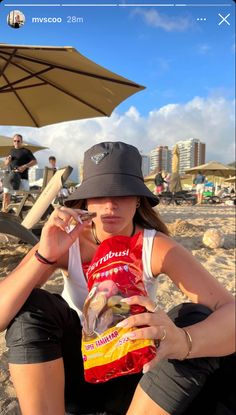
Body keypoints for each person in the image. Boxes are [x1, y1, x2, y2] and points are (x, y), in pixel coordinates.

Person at [0, 141, 235, 415]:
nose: (110, 205)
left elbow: (228, 310)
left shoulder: (153, 246)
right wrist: (44, 255)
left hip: (139, 381)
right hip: (75, 374)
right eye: (100, 194)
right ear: (86, 200)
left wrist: (184, 340)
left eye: (123, 193)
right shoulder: (70, 242)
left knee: (195, 316)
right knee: (34, 305)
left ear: (138, 199)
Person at [1, 134, 37, 212]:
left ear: (21, 141)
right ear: (13, 142)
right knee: (6, 195)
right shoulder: (11, 151)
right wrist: (8, 160)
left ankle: (37, 208)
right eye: (15, 141)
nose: (16, 142)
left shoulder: (26, 151)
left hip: (22, 178)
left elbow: (34, 161)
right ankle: (5, 214)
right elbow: (6, 163)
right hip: (11, 177)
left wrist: (25, 166)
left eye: (18, 141)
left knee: (27, 195)